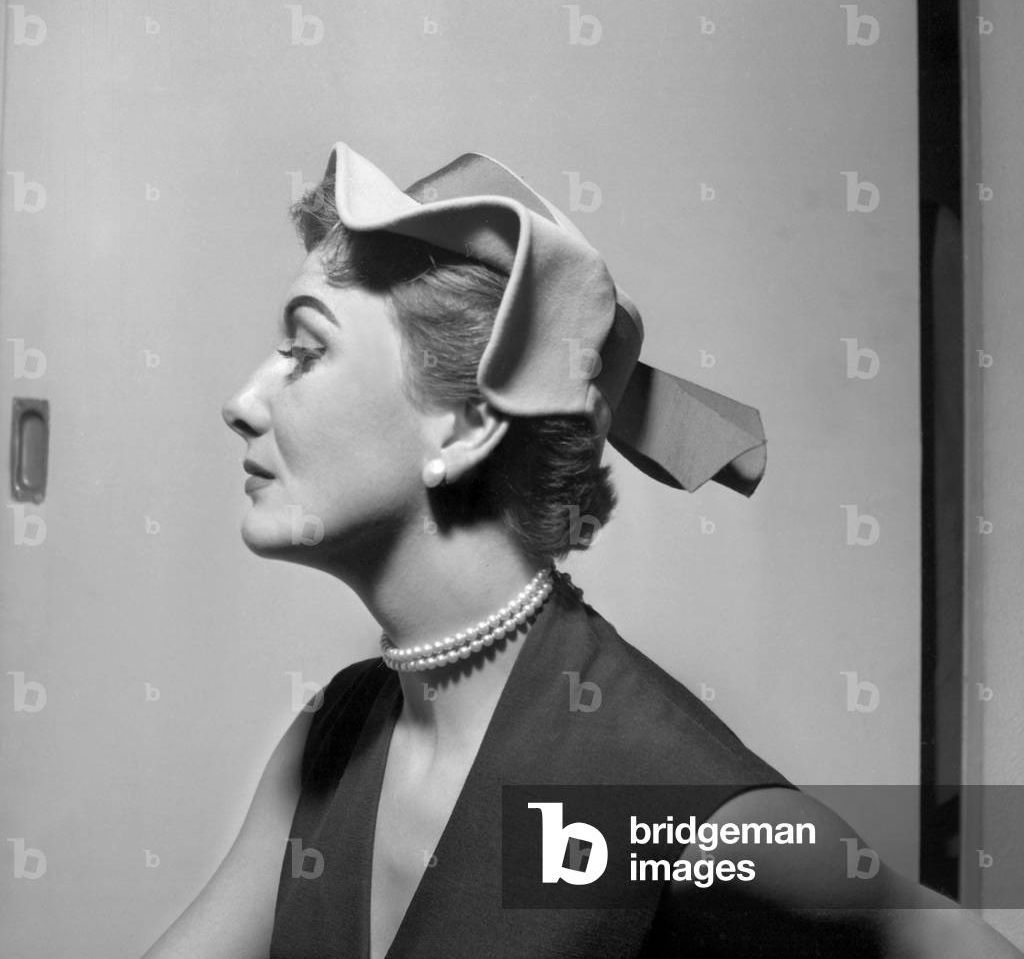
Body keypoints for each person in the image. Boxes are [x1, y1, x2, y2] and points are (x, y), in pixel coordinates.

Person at [141, 143, 1023, 959]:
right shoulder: (329, 738)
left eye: (302, 350)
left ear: (472, 418)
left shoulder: (657, 796)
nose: (242, 400)